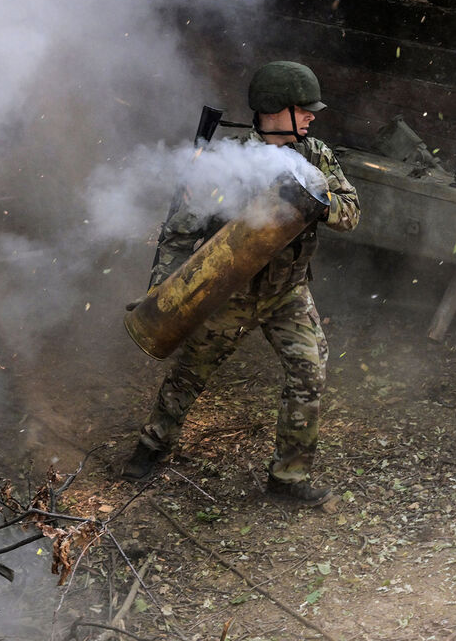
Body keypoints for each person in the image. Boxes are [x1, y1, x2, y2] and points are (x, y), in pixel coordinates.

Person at [122, 61, 360, 505]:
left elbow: (351, 211)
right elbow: (179, 232)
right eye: (303, 109)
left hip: (287, 291)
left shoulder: (316, 156)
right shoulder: (225, 161)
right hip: (229, 293)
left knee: (309, 372)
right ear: (276, 110)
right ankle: (150, 447)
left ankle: (288, 479)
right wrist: (161, 293)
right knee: (190, 375)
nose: (312, 117)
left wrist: (316, 201)